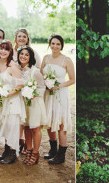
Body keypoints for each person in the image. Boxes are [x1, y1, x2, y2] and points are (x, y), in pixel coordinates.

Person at [41, 34, 75, 164]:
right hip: (48, 94)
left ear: (61, 46)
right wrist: (46, 83)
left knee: (61, 123)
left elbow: (72, 80)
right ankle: (53, 150)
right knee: (49, 121)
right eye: (53, 43)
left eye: (58, 44)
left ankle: (61, 155)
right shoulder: (46, 58)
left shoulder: (66, 60)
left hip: (60, 94)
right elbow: (41, 73)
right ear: (49, 44)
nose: (55, 46)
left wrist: (57, 85)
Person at [0, 40, 25, 164]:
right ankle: (6, 150)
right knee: (5, 125)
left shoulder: (12, 65)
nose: (3, 51)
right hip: (2, 101)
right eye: (1, 48)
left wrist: (7, 94)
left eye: (6, 49)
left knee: (12, 126)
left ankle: (12, 152)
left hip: (12, 100)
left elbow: (20, 85)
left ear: (10, 51)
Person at [12, 28, 41, 154]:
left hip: (30, 93)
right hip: (16, 92)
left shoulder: (33, 53)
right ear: (16, 38)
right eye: (19, 36)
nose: (22, 39)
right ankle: (20, 142)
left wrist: (32, 91)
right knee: (20, 120)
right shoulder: (11, 51)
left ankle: (31, 149)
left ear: (27, 38)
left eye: (24, 36)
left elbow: (37, 72)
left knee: (29, 122)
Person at [18, 46, 47, 166]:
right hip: (23, 103)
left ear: (30, 57)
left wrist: (33, 94)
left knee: (35, 128)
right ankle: (28, 150)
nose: (23, 56)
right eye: (21, 54)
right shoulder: (18, 70)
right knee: (26, 127)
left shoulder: (34, 71)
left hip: (34, 102)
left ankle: (35, 153)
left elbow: (42, 86)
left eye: (26, 55)